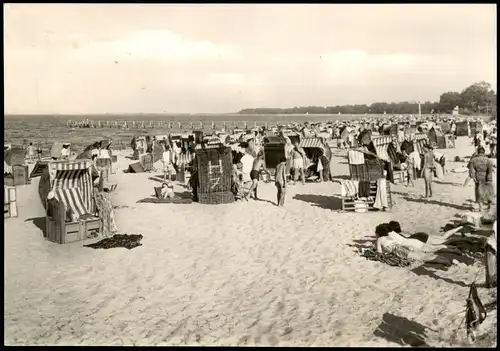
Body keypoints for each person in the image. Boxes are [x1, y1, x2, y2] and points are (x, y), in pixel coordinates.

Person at [468, 146, 494, 212]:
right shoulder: (488, 160)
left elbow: (471, 170)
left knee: (478, 191)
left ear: (478, 152)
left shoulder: (473, 160)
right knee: (488, 191)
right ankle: (489, 206)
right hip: (486, 176)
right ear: (484, 152)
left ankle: (481, 207)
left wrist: (474, 177)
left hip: (478, 176)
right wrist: (489, 179)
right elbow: (490, 170)